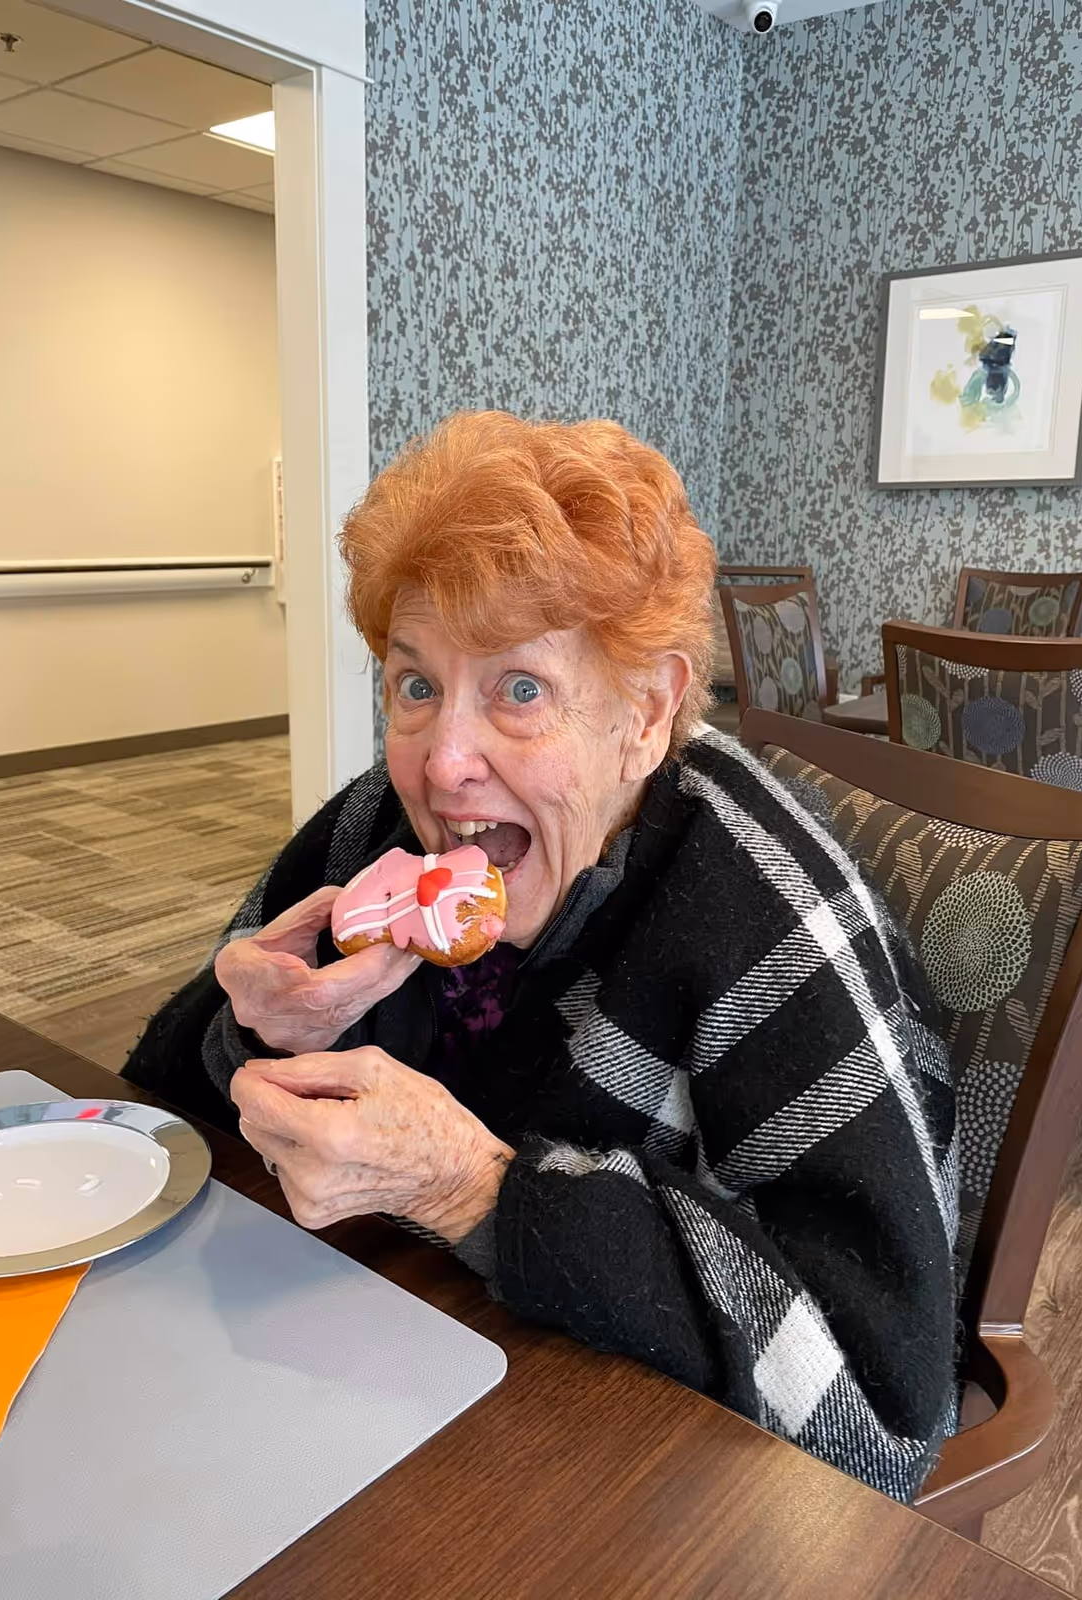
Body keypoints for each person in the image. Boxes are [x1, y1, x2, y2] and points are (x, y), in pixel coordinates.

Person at [125, 411, 957, 1502]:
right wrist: (257, 1033)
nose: (443, 764)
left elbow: (883, 1414)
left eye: (520, 689)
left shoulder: (762, 915)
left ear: (647, 713)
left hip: (655, 1490)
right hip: (386, 1394)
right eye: (416, 684)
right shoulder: (374, 832)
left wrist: (477, 1190)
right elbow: (158, 1102)